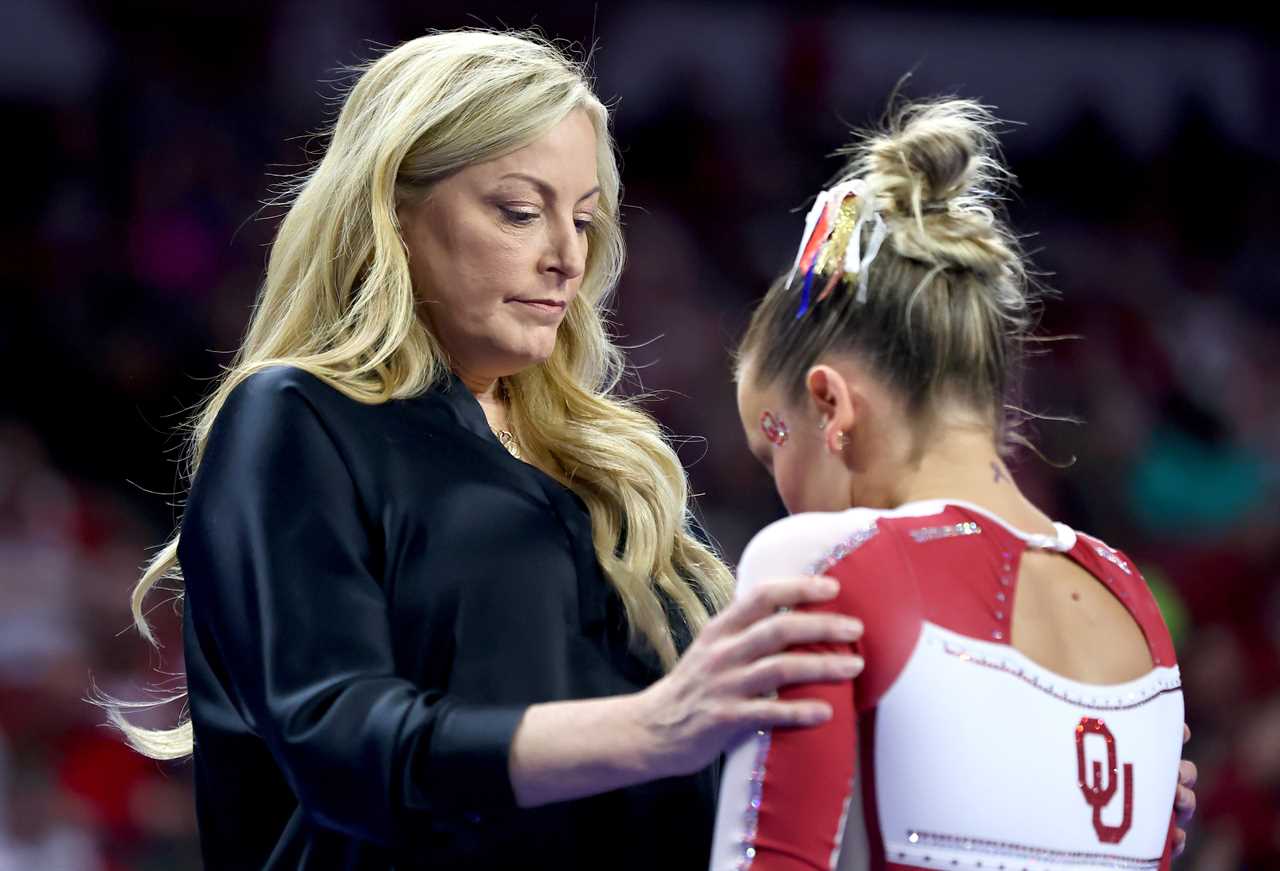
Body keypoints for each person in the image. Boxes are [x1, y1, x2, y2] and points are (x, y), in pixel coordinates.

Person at [97, 29, 870, 870]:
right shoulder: (296, 416)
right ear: (392, 205)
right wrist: (649, 728)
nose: (566, 257)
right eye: (518, 210)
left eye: (583, 220)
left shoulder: (620, 463)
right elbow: (340, 736)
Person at [712, 98, 1194, 871]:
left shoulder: (821, 561)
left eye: (771, 449)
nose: (780, 489)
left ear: (831, 405)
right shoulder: (1132, 601)